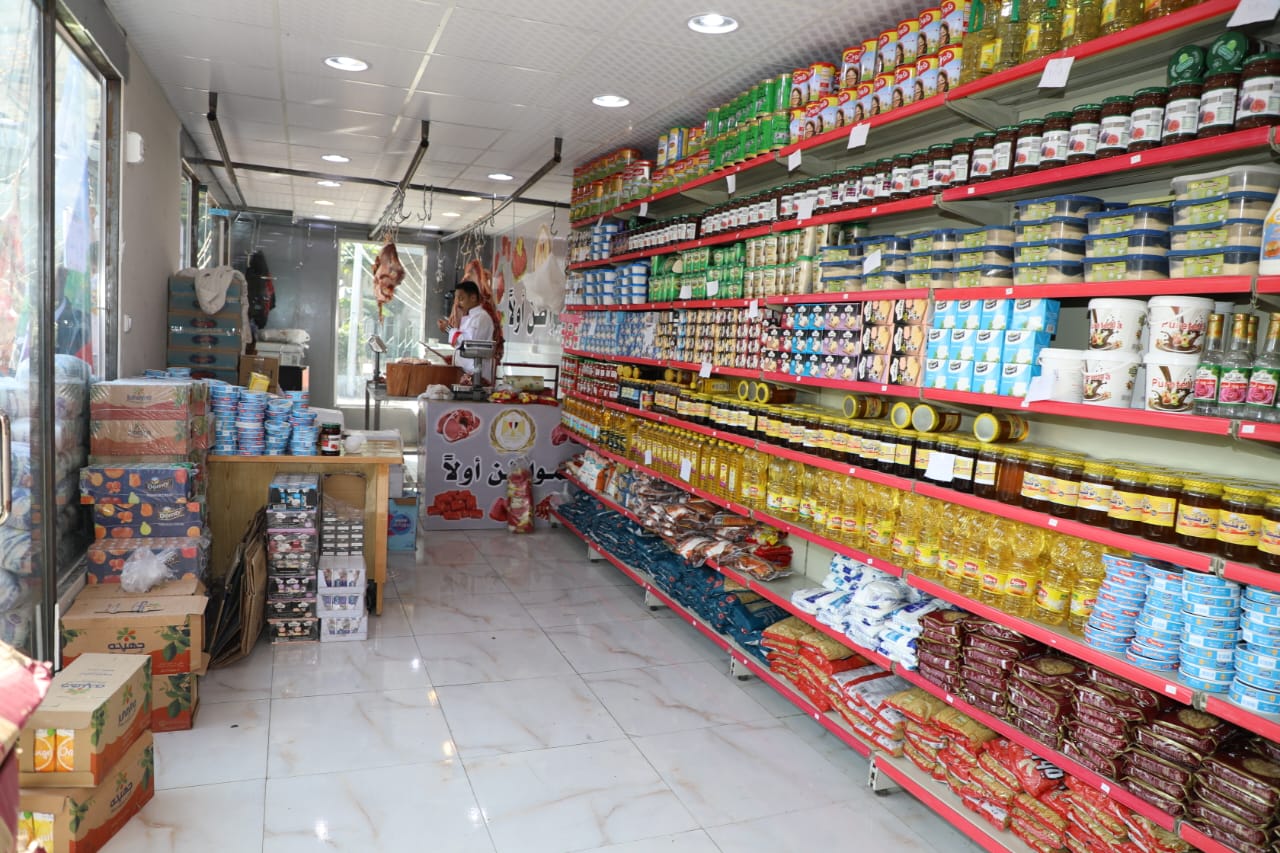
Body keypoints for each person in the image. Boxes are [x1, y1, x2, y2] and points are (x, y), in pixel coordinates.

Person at [437, 280, 496, 382]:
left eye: (461, 299)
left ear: (473, 298)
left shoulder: (481, 317)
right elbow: (461, 341)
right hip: (466, 373)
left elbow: (469, 342)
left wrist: (448, 329)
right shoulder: (470, 317)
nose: (457, 303)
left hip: (477, 375)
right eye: (456, 299)